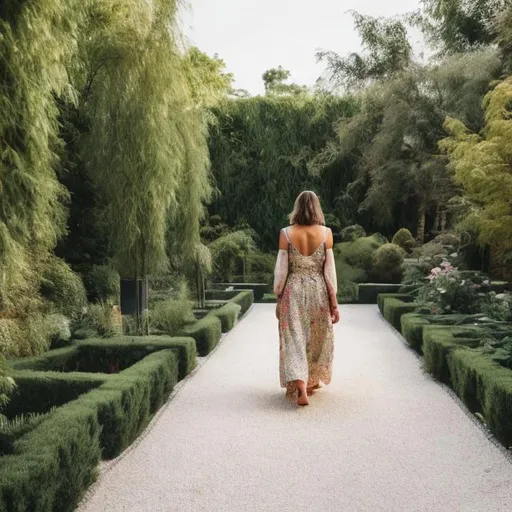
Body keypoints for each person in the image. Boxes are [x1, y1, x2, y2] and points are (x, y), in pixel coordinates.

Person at [273, 191, 339, 407]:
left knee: (294, 337)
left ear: (297, 208)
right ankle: (310, 382)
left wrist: (278, 297)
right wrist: (334, 302)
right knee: (315, 336)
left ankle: (301, 384)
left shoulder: (285, 233)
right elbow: (329, 271)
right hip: (318, 290)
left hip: (293, 290)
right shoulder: (327, 233)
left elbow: (282, 271)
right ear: (317, 208)